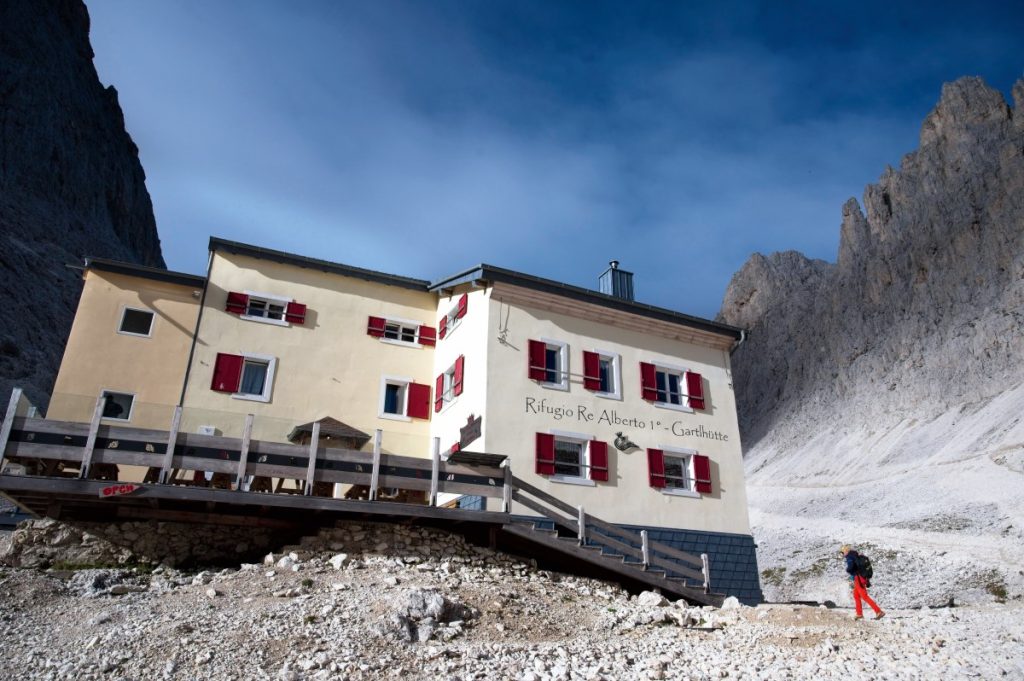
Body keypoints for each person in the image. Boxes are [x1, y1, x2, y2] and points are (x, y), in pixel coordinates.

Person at [841, 544, 885, 620]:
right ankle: (859, 614)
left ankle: (879, 611)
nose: (842, 554)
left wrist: (848, 570)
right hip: (860, 577)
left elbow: (850, 566)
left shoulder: (849, 557)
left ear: (846, 551)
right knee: (856, 595)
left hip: (858, 578)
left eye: (842, 552)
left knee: (864, 596)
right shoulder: (855, 555)